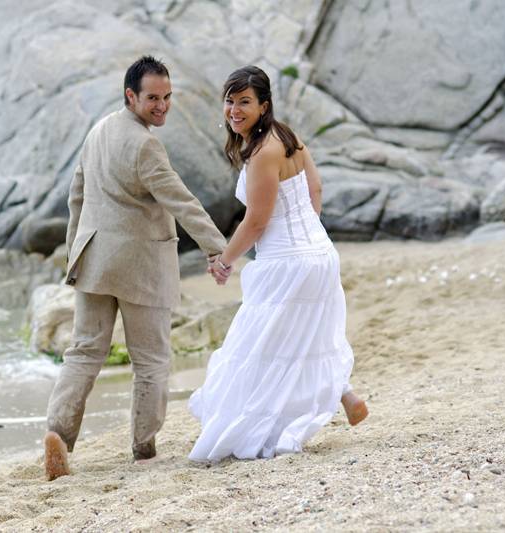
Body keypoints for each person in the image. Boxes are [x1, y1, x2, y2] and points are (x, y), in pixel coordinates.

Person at [44, 56, 227, 480]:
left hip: (94, 261)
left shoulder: (98, 131)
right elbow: (180, 200)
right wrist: (217, 248)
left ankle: (57, 436)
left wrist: (74, 252)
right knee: (151, 360)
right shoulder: (146, 145)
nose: (162, 106)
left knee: (83, 354)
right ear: (131, 96)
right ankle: (144, 449)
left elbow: (77, 195)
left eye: (167, 97)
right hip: (140, 266)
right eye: (152, 98)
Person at [190, 65, 368, 462]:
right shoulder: (287, 137)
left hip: (289, 264)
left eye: (245, 102)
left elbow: (256, 221)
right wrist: (309, 235)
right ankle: (346, 394)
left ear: (263, 105)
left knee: (257, 348)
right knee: (305, 339)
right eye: (230, 101)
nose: (234, 110)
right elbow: (315, 188)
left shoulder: (263, 152)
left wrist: (225, 261)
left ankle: (258, 430)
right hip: (319, 256)